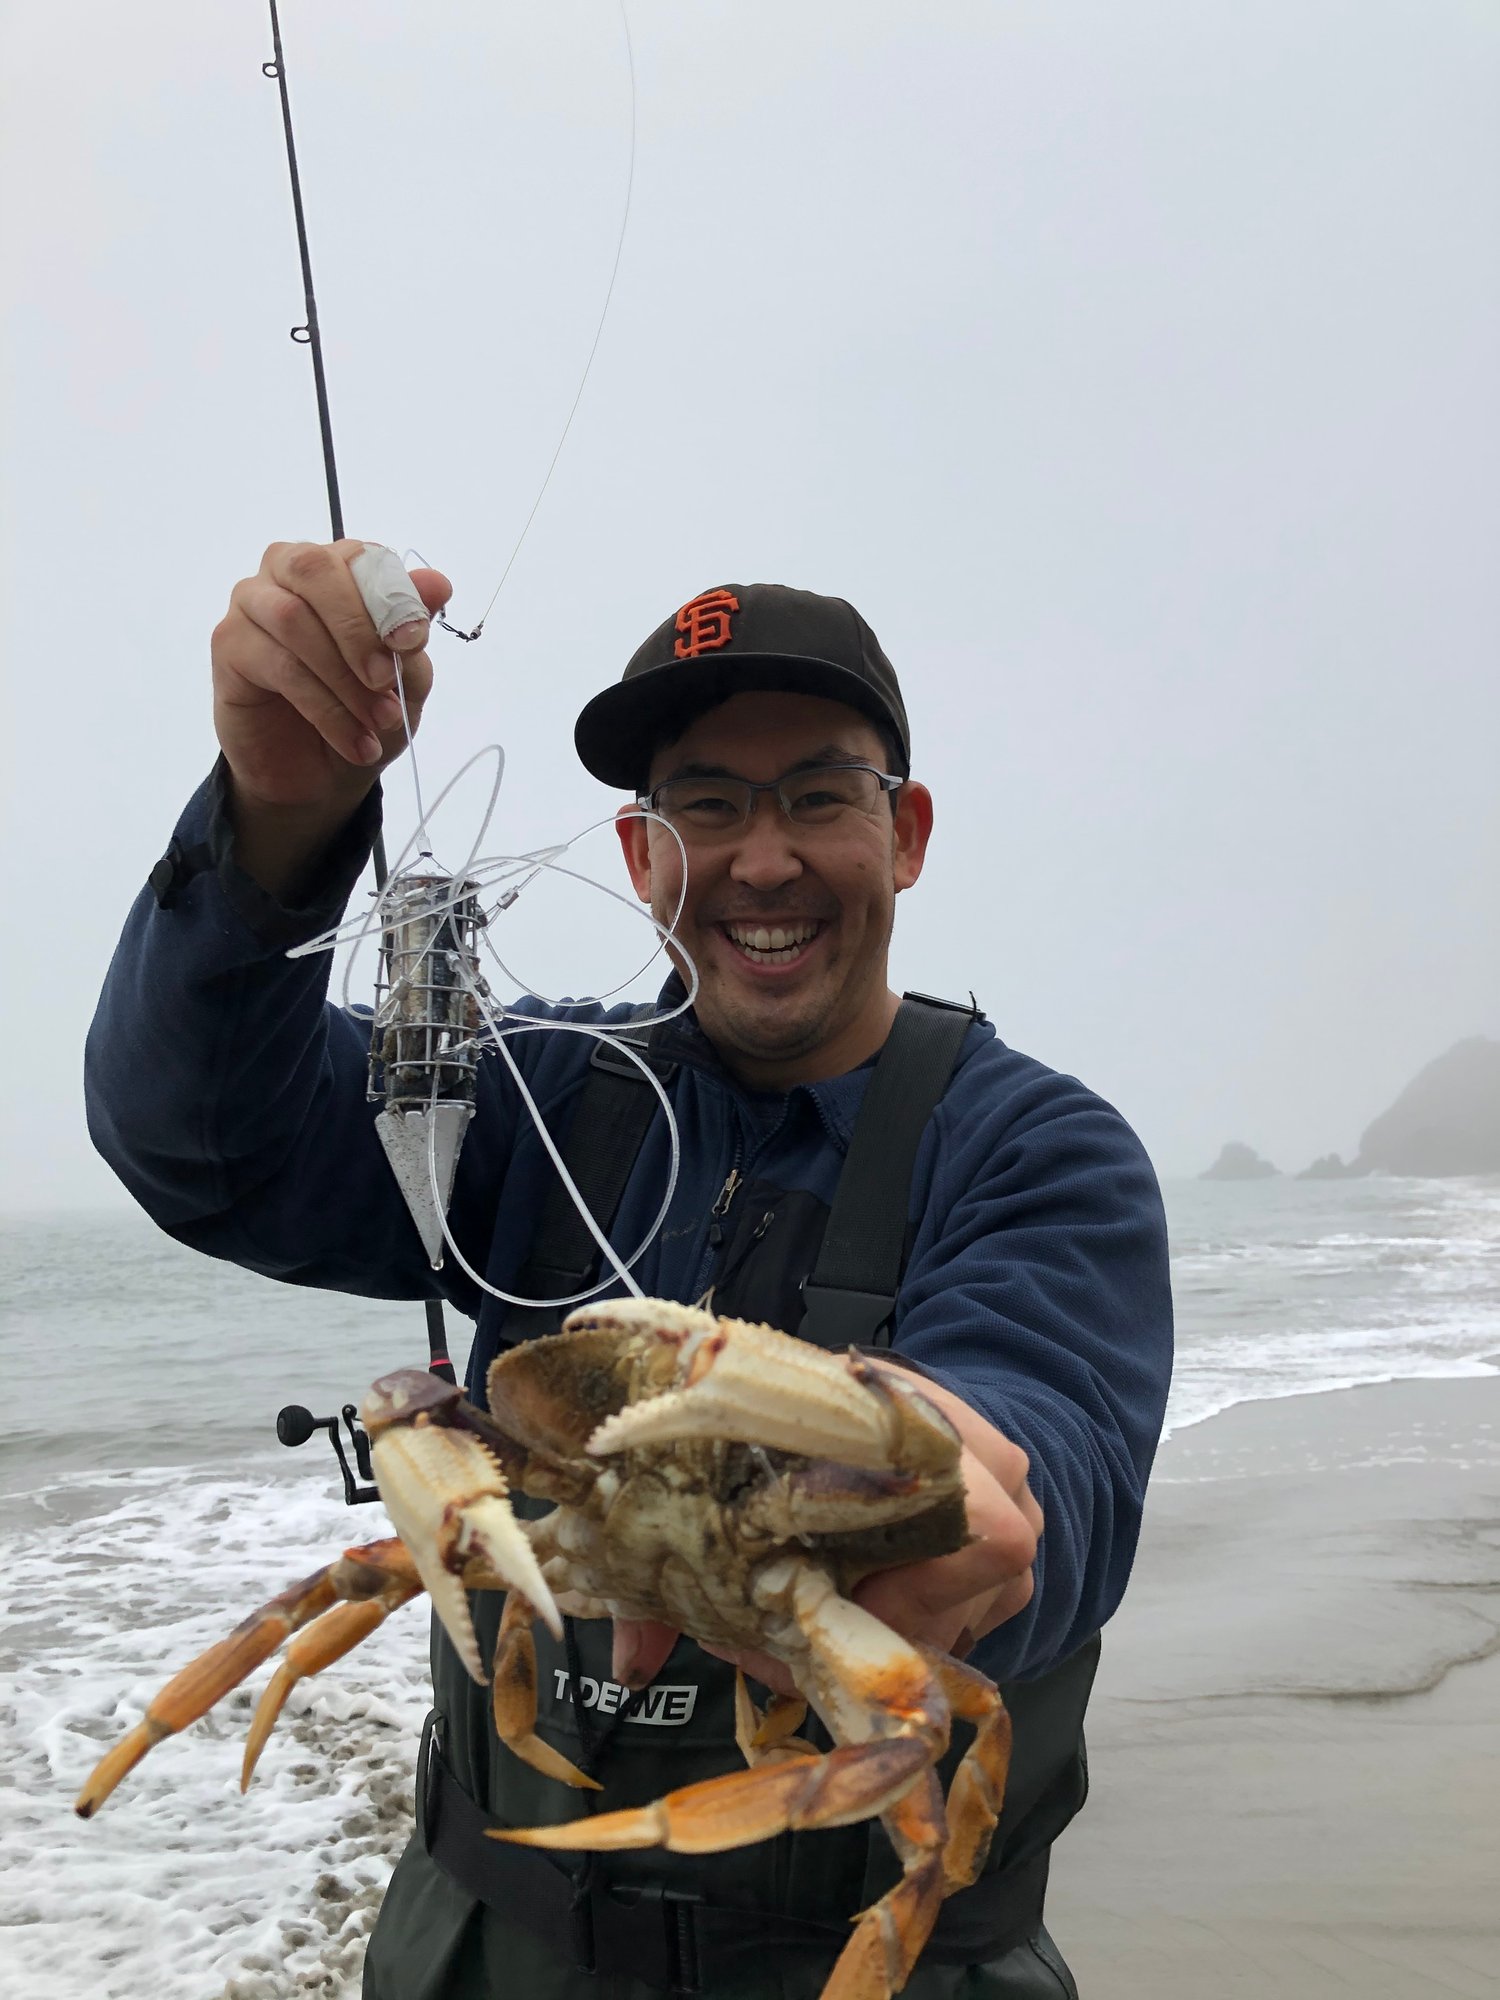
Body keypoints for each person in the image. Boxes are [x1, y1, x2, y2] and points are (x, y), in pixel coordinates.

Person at [86, 542, 1173, 2000]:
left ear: (905, 831)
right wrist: (280, 819)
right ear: (637, 854)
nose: (763, 857)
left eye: (818, 796)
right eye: (705, 805)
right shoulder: (532, 1100)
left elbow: (1054, 1455)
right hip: (484, 1952)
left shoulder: (1039, 1152)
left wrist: (962, 1483)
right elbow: (200, 1141)